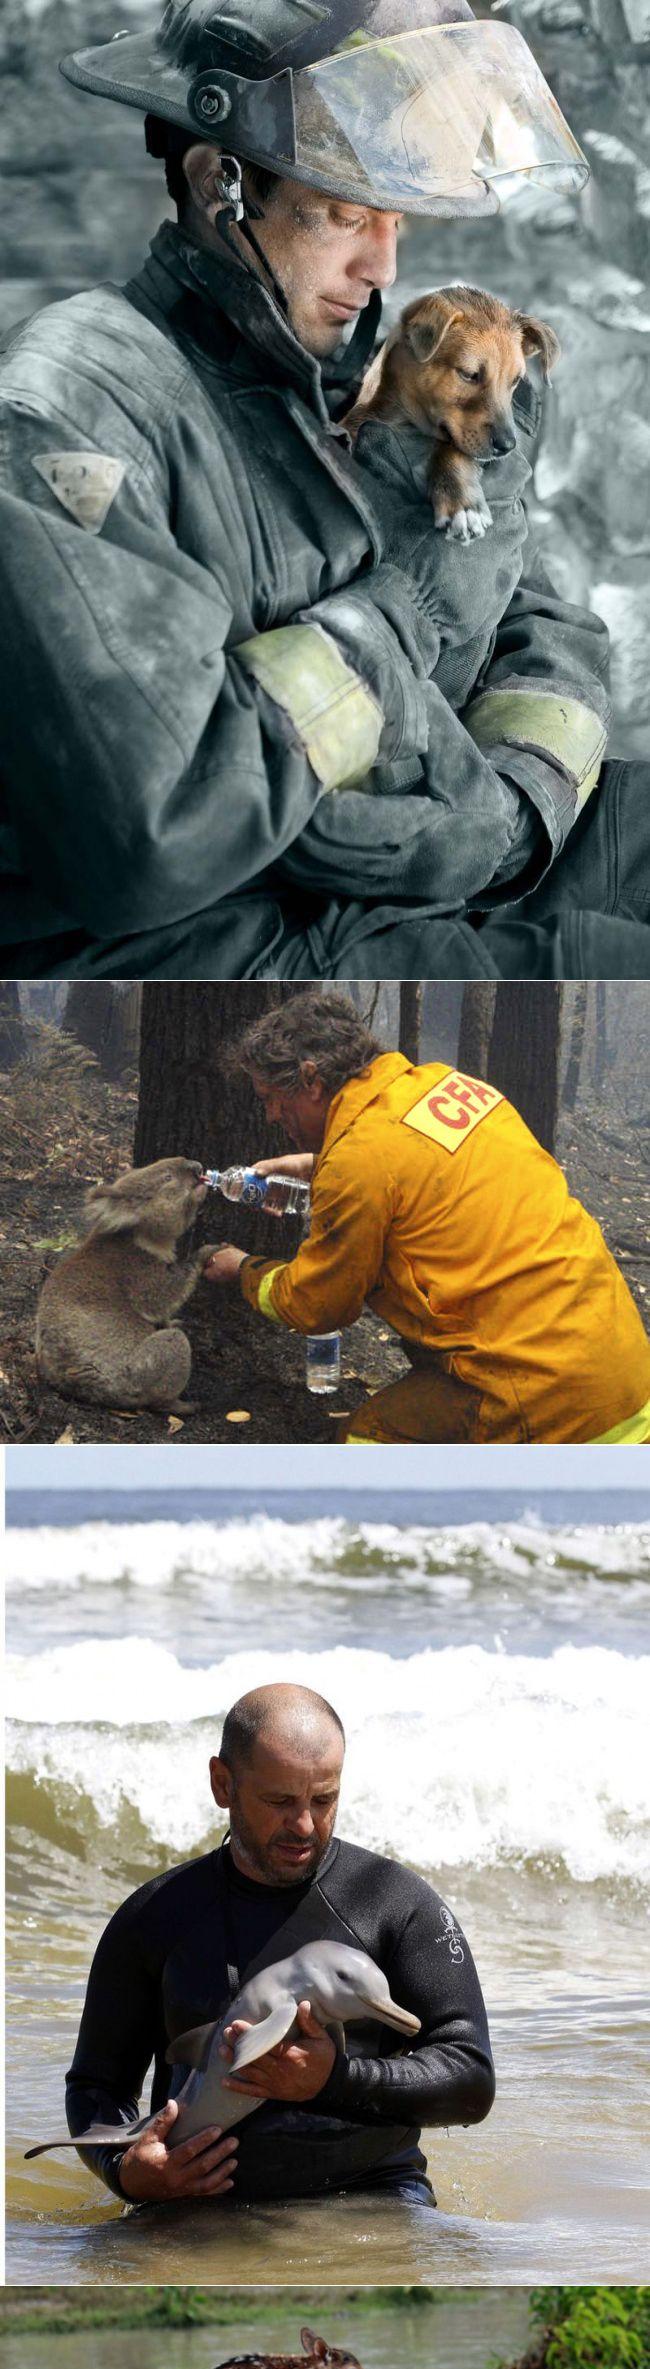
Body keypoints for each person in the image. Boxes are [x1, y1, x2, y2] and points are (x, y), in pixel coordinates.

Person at [3, 0, 650, 978]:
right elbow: (159, 825)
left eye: (392, 219)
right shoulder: (74, 406)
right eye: (346, 216)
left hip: (408, 862)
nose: (381, 263)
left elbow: (538, 621)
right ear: (219, 183)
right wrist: (394, 618)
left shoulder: (341, 380)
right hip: (230, 941)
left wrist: (516, 808)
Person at [64, 1677, 495, 2213]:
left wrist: (335, 2080)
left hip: (373, 2194)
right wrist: (126, 2172)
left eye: (324, 1798)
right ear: (223, 1784)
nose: (305, 1825)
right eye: (279, 1800)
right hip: (191, 2204)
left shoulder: (395, 1903)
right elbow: (95, 2085)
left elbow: (471, 2080)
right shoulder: (154, 1917)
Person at [209, 994, 650, 1442]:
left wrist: (244, 1269)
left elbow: (316, 1305)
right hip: (624, 1372)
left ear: (311, 1080)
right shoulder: (447, 1085)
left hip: (547, 1400)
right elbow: (415, 1168)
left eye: (272, 1099)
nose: (269, 1115)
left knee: (367, 1440)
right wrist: (322, 1164)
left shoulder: (360, 1162)